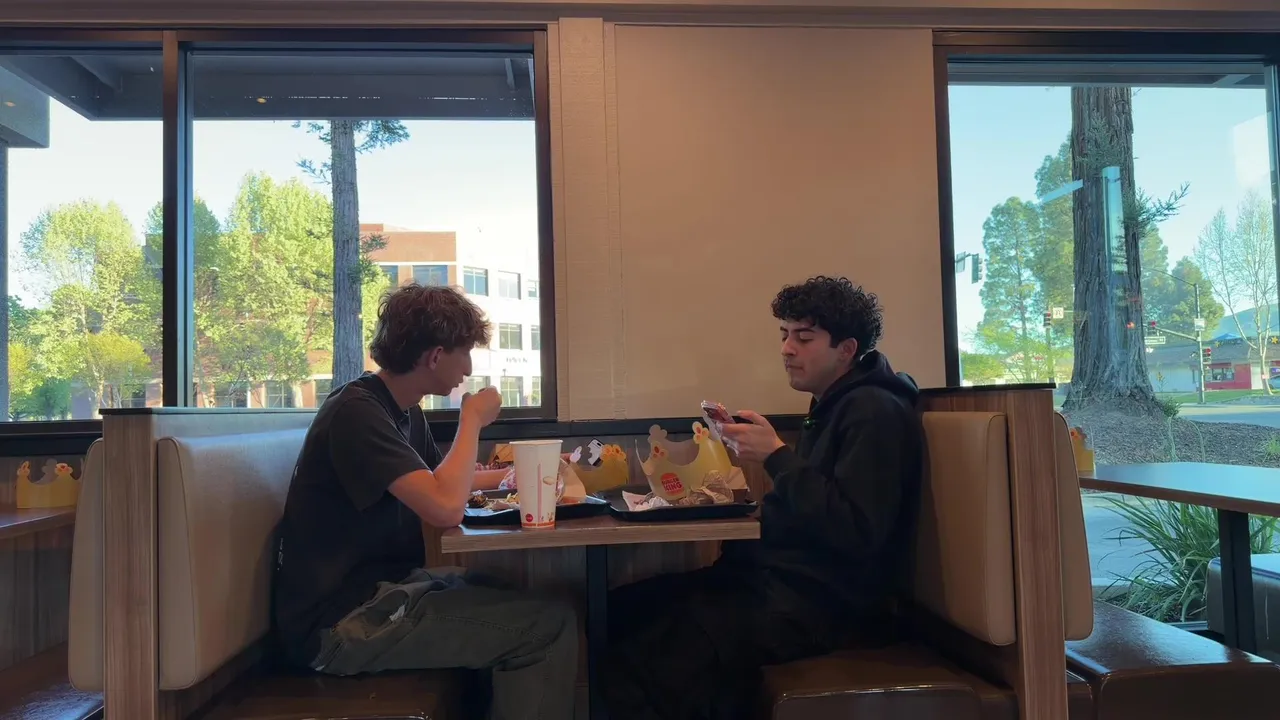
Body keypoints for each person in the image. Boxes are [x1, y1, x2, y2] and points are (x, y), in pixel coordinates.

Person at [606, 275, 923, 720]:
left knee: (650, 649)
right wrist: (771, 456)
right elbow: (814, 500)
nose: (787, 349)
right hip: (779, 583)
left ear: (847, 349)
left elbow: (856, 531)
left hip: (827, 605)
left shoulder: (875, 412)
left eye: (804, 338)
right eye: (784, 335)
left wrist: (776, 456)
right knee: (616, 610)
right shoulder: (832, 404)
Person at [272, 284, 577, 720]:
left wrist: (522, 473)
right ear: (435, 356)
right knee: (547, 627)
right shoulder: (356, 412)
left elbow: (443, 481)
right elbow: (445, 506)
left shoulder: (403, 410)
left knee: (502, 586)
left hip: (381, 592)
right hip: (339, 624)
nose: (468, 368)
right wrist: (472, 419)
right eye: (464, 352)